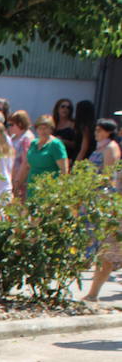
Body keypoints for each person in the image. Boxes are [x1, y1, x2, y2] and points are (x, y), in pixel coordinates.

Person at [84, 119, 122, 301]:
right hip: (93, 201)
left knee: (105, 249)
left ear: (108, 131)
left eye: (99, 130)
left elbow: (110, 177)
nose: (96, 132)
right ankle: (92, 293)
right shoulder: (100, 147)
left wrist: (107, 204)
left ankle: (93, 294)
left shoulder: (111, 148)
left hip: (104, 203)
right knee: (95, 246)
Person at [26, 115, 70, 198]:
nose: (43, 131)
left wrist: (61, 191)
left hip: (48, 189)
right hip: (32, 187)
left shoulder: (56, 145)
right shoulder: (33, 143)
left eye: (46, 128)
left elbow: (64, 170)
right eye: (40, 128)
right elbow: (27, 165)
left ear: (51, 129)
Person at [7, 109, 35, 200]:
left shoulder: (26, 138)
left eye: (11, 125)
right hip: (11, 179)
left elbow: (25, 163)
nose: (9, 127)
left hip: (20, 181)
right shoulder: (14, 137)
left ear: (20, 124)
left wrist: (17, 182)